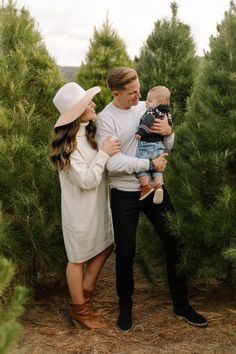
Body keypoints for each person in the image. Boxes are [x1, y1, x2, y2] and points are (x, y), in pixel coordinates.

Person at [96, 67, 208, 332]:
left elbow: (166, 146)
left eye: (139, 89)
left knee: (175, 241)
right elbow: (112, 162)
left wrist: (169, 132)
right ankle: (126, 308)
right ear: (116, 93)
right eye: (133, 93)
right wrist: (147, 162)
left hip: (155, 188)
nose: (139, 96)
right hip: (125, 193)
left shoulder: (149, 106)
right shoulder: (106, 119)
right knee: (126, 253)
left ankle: (181, 304)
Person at [50, 82, 121, 330]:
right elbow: (87, 180)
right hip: (79, 213)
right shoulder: (69, 147)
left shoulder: (89, 133)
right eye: (86, 103)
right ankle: (80, 309)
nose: (92, 105)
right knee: (77, 259)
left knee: (106, 245)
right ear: (75, 112)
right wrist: (104, 153)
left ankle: (85, 291)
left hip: (97, 209)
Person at [135, 86, 173, 204]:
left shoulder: (152, 111)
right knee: (158, 170)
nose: (146, 102)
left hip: (147, 146)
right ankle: (158, 186)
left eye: (149, 101)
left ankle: (145, 186)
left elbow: (148, 121)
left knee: (142, 168)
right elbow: (169, 125)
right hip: (159, 147)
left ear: (160, 102)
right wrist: (169, 129)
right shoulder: (167, 114)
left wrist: (140, 132)